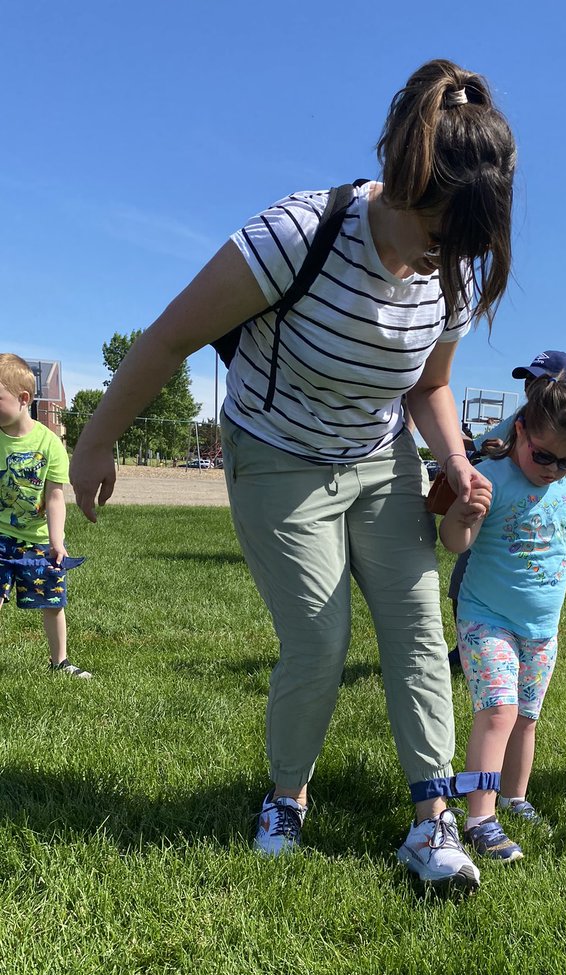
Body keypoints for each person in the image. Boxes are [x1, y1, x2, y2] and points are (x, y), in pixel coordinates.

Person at [69, 59, 516, 891]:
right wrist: (97, 441)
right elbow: (169, 336)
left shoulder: (448, 271)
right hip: (276, 454)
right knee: (319, 638)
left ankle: (432, 821)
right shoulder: (296, 234)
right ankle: (286, 796)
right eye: (435, 232)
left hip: (381, 458)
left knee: (420, 631)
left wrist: (455, 458)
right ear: (401, 176)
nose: (442, 261)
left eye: (463, 246)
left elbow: (431, 383)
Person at [439, 376, 566, 861]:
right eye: (544, 456)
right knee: (498, 713)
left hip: (541, 629)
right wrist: (463, 514)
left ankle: (514, 797)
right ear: (521, 431)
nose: (554, 470)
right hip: (486, 618)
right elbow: (454, 543)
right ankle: (480, 818)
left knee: (527, 719)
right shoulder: (491, 476)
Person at [447, 351, 566, 670]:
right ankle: (472, 644)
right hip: (494, 512)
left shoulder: (561, 426)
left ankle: (504, 644)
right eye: (528, 380)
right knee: (463, 583)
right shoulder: (523, 419)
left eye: (540, 381)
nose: (531, 388)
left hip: (523, 523)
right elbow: (484, 445)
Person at [0, 354, 91, 679]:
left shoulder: (49, 443)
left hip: (37, 541)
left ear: (23, 399)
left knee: (53, 601)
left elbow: (54, 497)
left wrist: (56, 541)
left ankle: (60, 662)